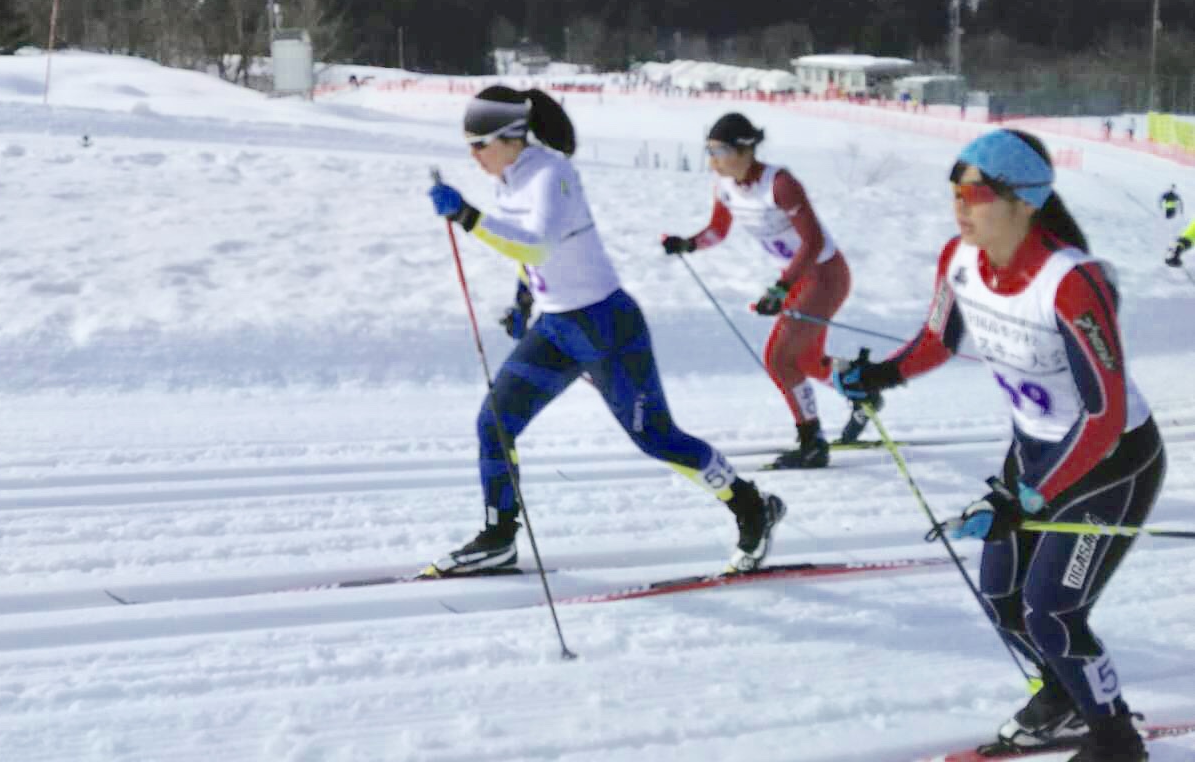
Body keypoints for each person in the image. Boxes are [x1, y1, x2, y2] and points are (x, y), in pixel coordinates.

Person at [832, 129, 1163, 761]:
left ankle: (1117, 742)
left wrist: (1028, 499)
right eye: (955, 191)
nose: (961, 206)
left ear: (1024, 201)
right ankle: (1063, 697)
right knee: (1002, 596)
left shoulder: (1070, 281)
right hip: (1034, 455)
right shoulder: (957, 260)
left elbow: (1104, 412)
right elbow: (936, 341)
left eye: (976, 193)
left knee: (1052, 612)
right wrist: (878, 375)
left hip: (1110, 462)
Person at [426, 87, 785, 576]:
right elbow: (527, 255)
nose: (473, 155)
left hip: (605, 325)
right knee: (494, 421)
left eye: (479, 144)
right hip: (557, 327)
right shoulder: (510, 178)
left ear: (512, 137)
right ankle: (499, 537)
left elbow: (536, 246)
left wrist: (468, 217)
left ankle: (751, 507)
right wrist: (523, 299)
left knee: (657, 438)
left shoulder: (552, 173)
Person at [662, 112, 854, 468]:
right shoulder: (724, 186)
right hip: (798, 280)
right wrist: (687, 244)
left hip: (825, 277)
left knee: (780, 358)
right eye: (709, 150)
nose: (712, 160)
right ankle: (859, 388)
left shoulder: (780, 184)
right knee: (806, 359)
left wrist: (782, 288)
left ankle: (812, 442)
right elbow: (718, 231)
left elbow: (811, 244)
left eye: (719, 150)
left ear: (744, 150)